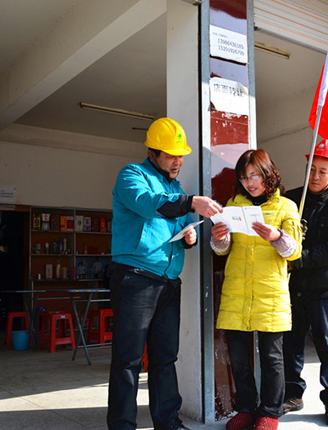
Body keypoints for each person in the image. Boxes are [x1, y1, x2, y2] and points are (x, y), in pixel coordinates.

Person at [107, 117, 222, 430]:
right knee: (128, 360)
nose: (177, 161)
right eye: (170, 154)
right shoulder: (132, 174)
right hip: (135, 278)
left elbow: (170, 223)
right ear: (152, 152)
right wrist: (189, 202)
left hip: (168, 282)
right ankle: (121, 425)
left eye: (180, 155)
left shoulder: (176, 188)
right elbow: (147, 204)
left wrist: (188, 236)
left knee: (165, 357)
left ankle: (168, 421)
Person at [211, 149, 302, 430]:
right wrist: (220, 239)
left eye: (254, 175)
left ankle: (270, 412)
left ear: (267, 174)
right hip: (237, 290)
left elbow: (295, 252)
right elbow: (223, 250)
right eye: (244, 177)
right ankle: (246, 408)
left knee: (272, 358)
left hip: (270, 293)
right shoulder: (232, 205)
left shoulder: (286, 206)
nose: (250, 182)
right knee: (238, 357)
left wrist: (276, 237)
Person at [282, 140, 328, 426]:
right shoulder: (290, 200)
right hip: (292, 286)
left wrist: (299, 258)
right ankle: (292, 393)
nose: (314, 176)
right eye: (311, 169)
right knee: (291, 343)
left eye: (322, 171)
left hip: (324, 289)